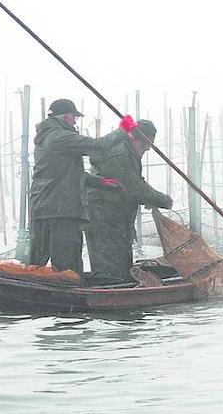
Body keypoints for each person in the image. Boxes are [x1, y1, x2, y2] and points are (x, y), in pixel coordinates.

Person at [27, 98, 117, 279]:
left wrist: (100, 182)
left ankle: (32, 300)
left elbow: (65, 175)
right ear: (67, 117)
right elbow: (97, 145)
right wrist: (124, 130)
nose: (76, 121)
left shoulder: (45, 139)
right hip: (62, 212)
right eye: (75, 117)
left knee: (36, 266)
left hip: (41, 209)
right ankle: (71, 300)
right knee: (68, 269)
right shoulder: (60, 137)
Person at [83, 117, 173, 282]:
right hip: (104, 216)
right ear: (133, 138)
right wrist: (162, 200)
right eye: (144, 144)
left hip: (116, 218)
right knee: (108, 268)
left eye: (149, 146)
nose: (146, 149)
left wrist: (152, 198)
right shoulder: (119, 153)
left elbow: (136, 183)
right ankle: (109, 297)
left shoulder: (128, 152)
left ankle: (119, 290)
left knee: (121, 267)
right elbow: (134, 189)